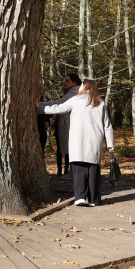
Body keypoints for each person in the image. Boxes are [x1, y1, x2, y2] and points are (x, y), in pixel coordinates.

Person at [37, 79, 114, 207]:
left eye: (82, 85)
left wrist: (39, 108)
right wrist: (110, 144)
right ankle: (94, 199)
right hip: (95, 141)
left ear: (85, 87)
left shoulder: (76, 100)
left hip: (78, 140)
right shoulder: (100, 102)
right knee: (93, 170)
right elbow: (107, 126)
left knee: (79, 170)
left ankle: (80, 197)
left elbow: (58, 108)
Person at [40, 73, 81, 179]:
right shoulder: (73, 91)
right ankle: (69, 171)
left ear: (74, 82)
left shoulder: (74, 91)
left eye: (67, 81)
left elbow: (60, 103)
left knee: (71, 147)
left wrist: (39, 106)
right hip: (68, 124)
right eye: (64, 80)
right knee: (66, 148)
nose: (64, 82)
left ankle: (73, 172)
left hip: (71, 124)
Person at [37, 84, 50, 158]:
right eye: (43, 89)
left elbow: (48, 113)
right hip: (38, 127)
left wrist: (48, 123)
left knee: (42, 148)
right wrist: (42, 123)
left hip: (45, 129)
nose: (44, 91)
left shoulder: (46, 100)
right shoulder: (35, 100)